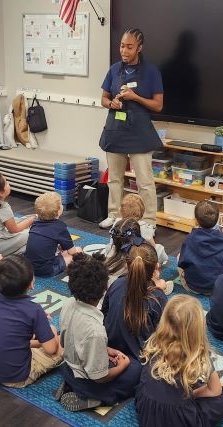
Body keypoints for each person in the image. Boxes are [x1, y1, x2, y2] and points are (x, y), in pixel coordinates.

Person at [136, 295, 223, 426]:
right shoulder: (199, 354)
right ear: (198, 329)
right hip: (180, 419)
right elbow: (215, 391)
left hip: (148, 410)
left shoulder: (154, 342)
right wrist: (194, 394)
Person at [56, 253, 141, 412]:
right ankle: (93, 398)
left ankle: (72, 382)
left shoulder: (68, 304)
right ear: (104, 289)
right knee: (136, 370)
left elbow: (71, 340)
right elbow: (101, 378)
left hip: (69, 365)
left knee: (122, 361)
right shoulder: (95, 330)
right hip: (90, 378)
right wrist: (123, 365)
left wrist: (105, 350)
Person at [98, 28, 164, 230]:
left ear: (139, 48)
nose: (124, 51)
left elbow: (158, 105)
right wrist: (112, 104)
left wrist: (135, 97)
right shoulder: (114, 69)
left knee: (145, 181)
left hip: (139, 132)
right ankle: (114, 215)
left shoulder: (151, 72)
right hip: (116, 129)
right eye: (121, 46)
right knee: (115, 179)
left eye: (129, 47)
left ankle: (149, 221)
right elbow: (103, 98)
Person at [0, 255, 62, 387]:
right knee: (60, 341)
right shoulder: (34, 310)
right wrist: (48, 331)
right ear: (31, 283)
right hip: (16, 377)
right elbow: (51, 349)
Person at [102, 243, 169, 361]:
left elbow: (104, 313)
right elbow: (164, 335)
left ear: (128, 265)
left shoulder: (116, 284)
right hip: (141, 358)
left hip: (111, 350)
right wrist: (158, 289)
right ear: (155, 268)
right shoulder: (158, 298)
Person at [25, 191, 82, 277]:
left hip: (29, 266)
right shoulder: (60, 227)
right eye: (61, 204)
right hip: (47, 269)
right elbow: (72, 251)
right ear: (58, 211)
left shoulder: (35, 223)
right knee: (78, 250)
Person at [177, 200, 223, 295]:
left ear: (196, 220)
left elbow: (182, 263)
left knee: (179, 256)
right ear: (217, 220)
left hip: (192, 286)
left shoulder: (190, 239)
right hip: (216, 287)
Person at [106, 193, 168, 265]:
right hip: (136, 258)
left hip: (117, 256)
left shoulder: (117, 222)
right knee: (159, 248)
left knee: (109, 247)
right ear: (142, 212)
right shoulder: (144, 227)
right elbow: (153, 247)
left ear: (120, 210)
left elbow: (112, 241)